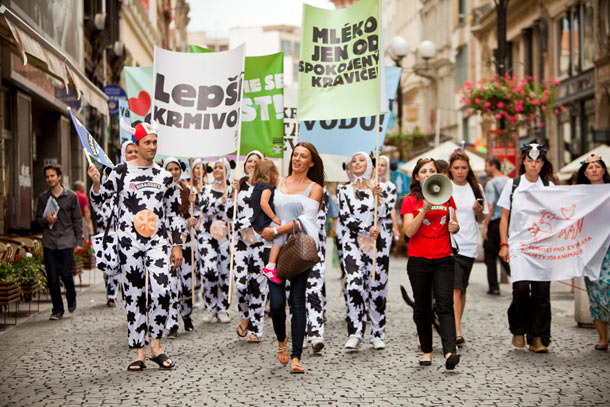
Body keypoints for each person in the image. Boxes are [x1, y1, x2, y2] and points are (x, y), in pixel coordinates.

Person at [89, 121, 183, 371]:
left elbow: (174, 213)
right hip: (128, 242)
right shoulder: (119, 171)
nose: (152, 147)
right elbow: (100, 201)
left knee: (162, 291)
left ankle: (156, 346)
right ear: (137, 145)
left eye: (155, 142)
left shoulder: (164, 176)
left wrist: (177, 245)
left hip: (158, 241)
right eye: (147, 143)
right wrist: (97, 183)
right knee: (133, 295)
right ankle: (139, 351)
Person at [259, 142, 324, 374]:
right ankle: (281, 339)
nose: (296, 159)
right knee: (276, 304)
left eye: (303, 156)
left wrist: (277, 230)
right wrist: (264, 229)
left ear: (311, 162)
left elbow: (307, 221)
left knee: (298, 302)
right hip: (272, 251)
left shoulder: (315, 188)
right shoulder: (277, 182)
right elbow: (262, 207)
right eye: (295, 155)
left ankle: (296, 356)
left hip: (298, 250)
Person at [401, 158, 461, 370]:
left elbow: (454, 224)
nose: (427, 174)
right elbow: (408, 231)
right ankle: (426, 350)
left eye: (432, 170)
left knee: (445, 304)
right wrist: (424, 210)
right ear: (417, 176)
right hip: (419, 261)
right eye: (423, 171)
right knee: (423, 307)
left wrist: (455, 227)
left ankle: (449, 352)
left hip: (444, 258)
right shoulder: (409, 201)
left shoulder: (447, 197)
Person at [498, 142, 555, 353]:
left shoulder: (549, 187)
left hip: (542, 247)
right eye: (530, 161)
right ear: (523, 162)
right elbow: (504, 217)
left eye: (538, 161)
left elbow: (560, 215)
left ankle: (539, 337)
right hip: (519, 245)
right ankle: (518, 328)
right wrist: (504, 243)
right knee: (521, 289)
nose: (533, 165)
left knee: (541, 293)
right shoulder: (513, 185)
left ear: (542, 164)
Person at [338, 152, 390, 350]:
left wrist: (379, 199)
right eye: (354, 161)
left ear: (369, 165)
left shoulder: (380, 188)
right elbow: (345, 217)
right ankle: (355, 331)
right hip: (352, 244)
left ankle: (377, 333)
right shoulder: (344, 191)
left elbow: (384, 214)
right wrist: (365, 229)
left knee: (377, 288)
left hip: (378, 244)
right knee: (354, 285)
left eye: (362, 160)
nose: (357, 163)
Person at [89, 140, 138, 307]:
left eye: (135, 151)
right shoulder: (116, 174)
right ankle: (116, 296)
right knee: (116, 269)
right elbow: (100, 199)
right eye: (129, 151)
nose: (133, 154)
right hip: (120, 234)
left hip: (145, 235)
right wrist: (96, 184)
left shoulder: (150, 173)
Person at [448, 149, 488, 346]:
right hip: (451, 243)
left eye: (463, 167)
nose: (460, 171)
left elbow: (481, 218)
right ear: (450, 168)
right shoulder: (446, 187)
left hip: (470, 242)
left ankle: (457, 323)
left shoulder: (476, 187)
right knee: (455, 288)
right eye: (456, 168)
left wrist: (479, 212)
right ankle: (456, 330)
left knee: (462, 288)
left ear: (468, 168)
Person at [36, 164, 83, 320]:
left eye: (52, 176)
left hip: (66, 240)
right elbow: (37, 219)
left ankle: (71, 296)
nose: (50, 179)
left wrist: (79, 241)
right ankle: (57, 309)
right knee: (52, 276)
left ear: (59, 177)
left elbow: (77, 220)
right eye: (47, 177)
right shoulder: (43, 198)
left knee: (66, 274)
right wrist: (45, 220)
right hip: (49, 241)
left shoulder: (71, 196)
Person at [233, 150, 268, 343]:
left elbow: (262, 215)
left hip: (260, 243)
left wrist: (241, 223)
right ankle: (245, 315)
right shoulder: (240, 185)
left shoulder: (266, 188)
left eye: (256, 161)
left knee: (258, 286)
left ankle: (257, 328)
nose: (251, 164)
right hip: (240, 243)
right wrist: (232, 193)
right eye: (249, 161)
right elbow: (230, 214)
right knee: (240, 283)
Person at [576, 153, 610, 351]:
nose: (594, 169)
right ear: (585, 173)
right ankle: (603, 337)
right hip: (591, 250)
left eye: (598, 166)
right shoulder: (580, 195)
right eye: (590, 167)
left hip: (609, 248)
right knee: (596, 291)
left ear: (604, 170)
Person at [163, 157, 196, 337]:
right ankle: (172, 322)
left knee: (187, 285)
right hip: (168, 242)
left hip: (187, 244)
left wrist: (192, 217)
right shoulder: (161, 189)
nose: (173, 172)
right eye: (170, 169)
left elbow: (196, 216)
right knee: (172, 283)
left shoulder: (187, 191)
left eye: (176, 169)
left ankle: (187, 314)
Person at [199, 158, 234, 323]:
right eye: (216, 167)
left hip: (225, 237)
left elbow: (233, 214)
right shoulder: (206, 189)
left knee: (224, 273)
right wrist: (221, 201)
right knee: (210, 271)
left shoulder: (232, 191)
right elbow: (205, 209)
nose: (217, 170)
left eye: (221, 167)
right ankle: (209, 306)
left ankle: (222, 308)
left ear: (227, 170)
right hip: (207, 236)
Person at [250, 159, 282, 285]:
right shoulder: (267, 187)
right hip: (265, 221)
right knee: (279, 237)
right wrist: (274, 217)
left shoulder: (257, 186)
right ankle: (270, 266)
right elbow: (264, 203)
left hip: (257, 220)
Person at [482, 156, 510, 295]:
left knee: (490, 256)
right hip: (508, 221)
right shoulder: (509, 181)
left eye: (486, 165)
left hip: (495, 222)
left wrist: (485, 226)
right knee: (506, 253)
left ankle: (493, 286)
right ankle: (518, 279)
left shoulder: (491, 183)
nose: (485, 168)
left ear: (493, 166)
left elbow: (490, 206)